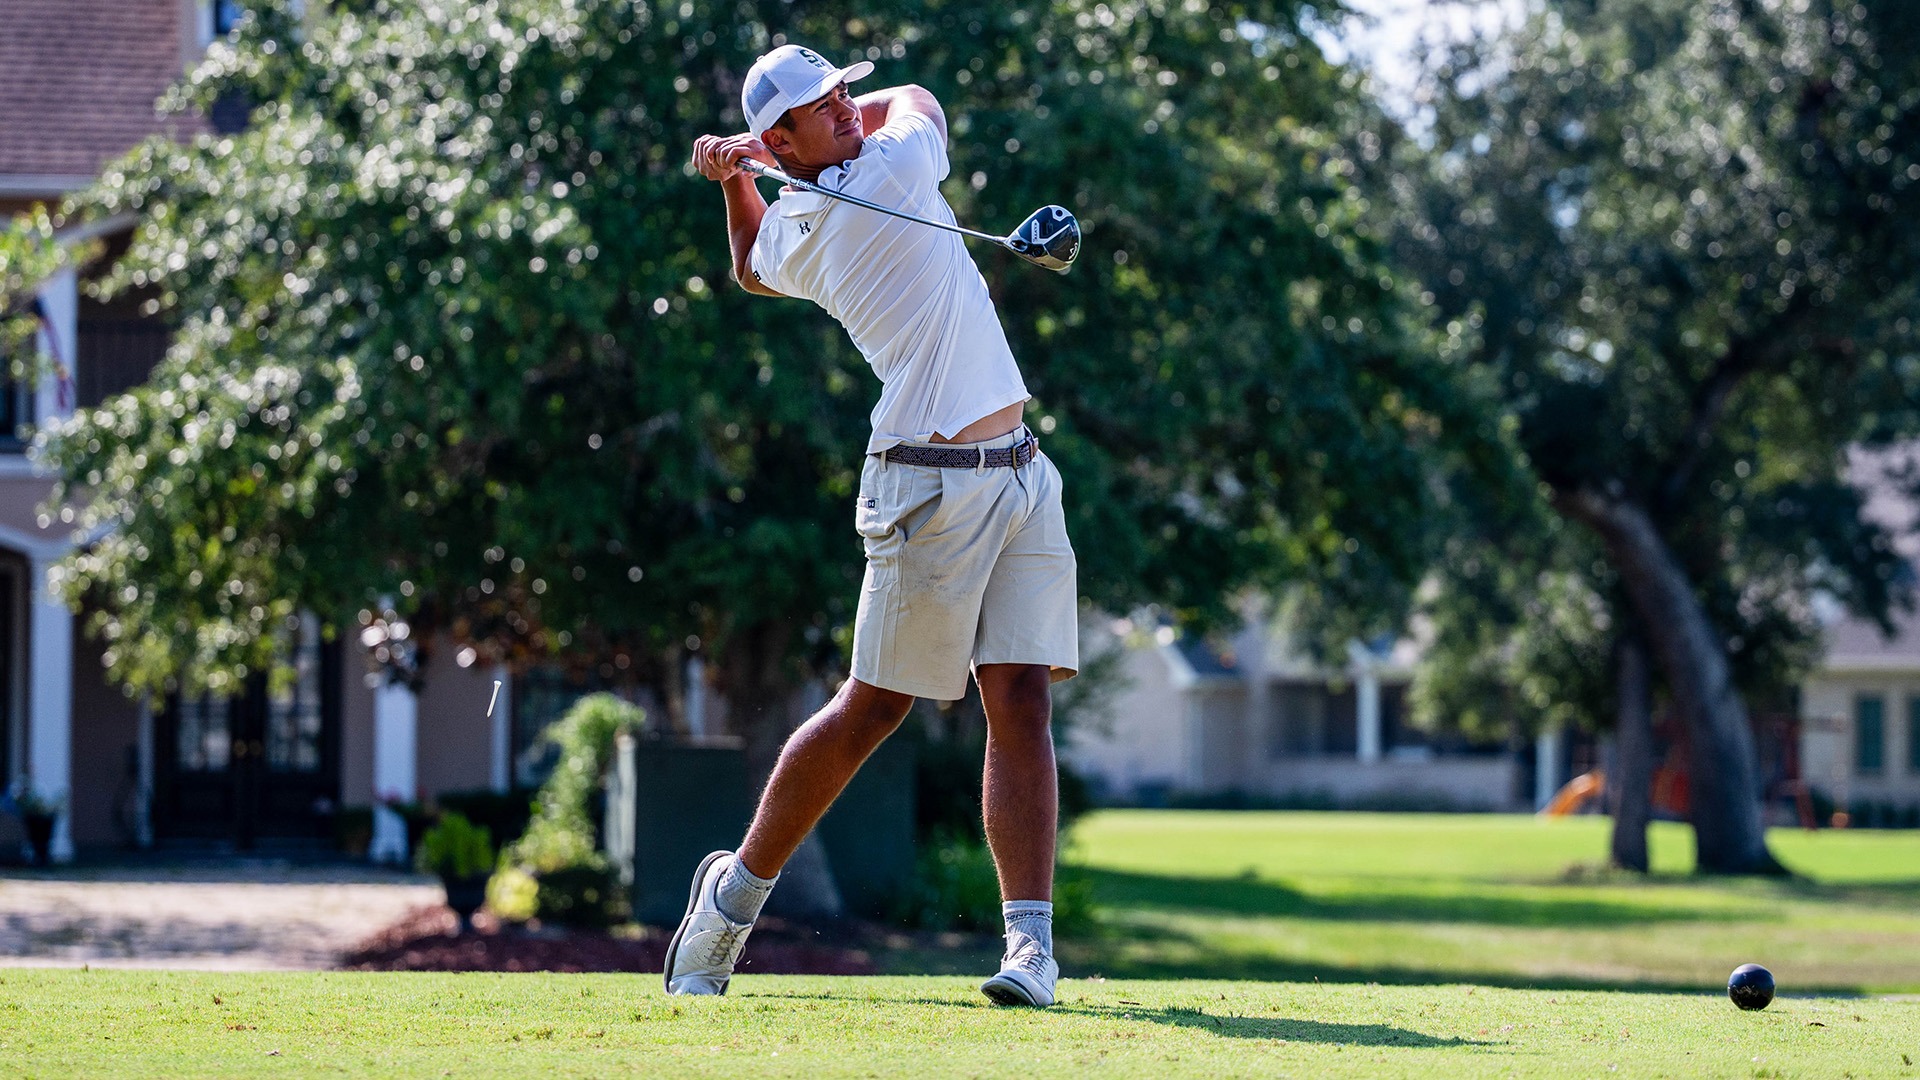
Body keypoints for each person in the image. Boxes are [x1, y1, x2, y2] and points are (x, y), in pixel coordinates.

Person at [671, 43, 1079, 1007]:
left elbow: (749, 267)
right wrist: (761, 164)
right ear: (783, 136)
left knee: (1019, 697)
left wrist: (738, 180)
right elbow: (924, 97)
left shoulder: (807, 214)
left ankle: (1031, 951)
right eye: (824, 104)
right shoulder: (893, 166)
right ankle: (730, 900)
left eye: (847, 90)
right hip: (926, 486)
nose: (851, 107)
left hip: (1021, 471)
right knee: (873, 709)